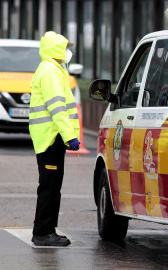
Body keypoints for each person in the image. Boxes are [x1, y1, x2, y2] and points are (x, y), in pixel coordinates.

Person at [29, 31, 81, 247]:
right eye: (65, 47)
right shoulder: (50, 71)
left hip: (52, 138)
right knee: (49, 187)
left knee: (51, 186)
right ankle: (42, 233)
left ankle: (48, 230)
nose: (67, 51)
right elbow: (57, 109)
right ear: (55, 49)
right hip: (51, 139)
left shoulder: (54, 70)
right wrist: (70, 137)